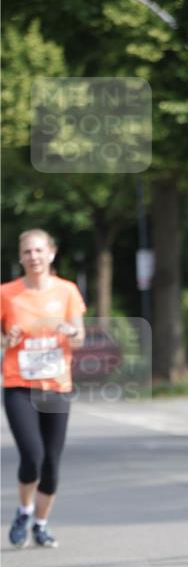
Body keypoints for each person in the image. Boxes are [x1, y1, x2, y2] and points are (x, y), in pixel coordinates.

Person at [1, 229, 86, 548]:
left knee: (51, 463)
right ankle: (23, 511)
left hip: (57, 387)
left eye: (39, 251)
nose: (33, 257)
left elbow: (78, 337)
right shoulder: (6, 293)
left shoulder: (67, 291)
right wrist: (5, 340)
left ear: (51, 253)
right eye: (27, 252)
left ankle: (41, 522)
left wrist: (69, 331)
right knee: (32, 457)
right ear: (20, 257)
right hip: (19, 385)